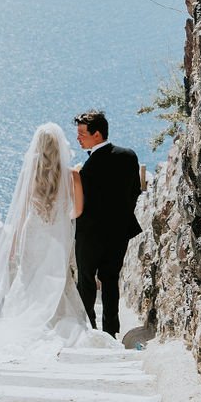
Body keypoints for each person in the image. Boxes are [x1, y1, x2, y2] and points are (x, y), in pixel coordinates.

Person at [0, 122, 119, 360]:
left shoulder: (29, 174)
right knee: (57, 281)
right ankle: (55, 323)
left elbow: (21, 212)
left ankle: (25, 322)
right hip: (56, 238)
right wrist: (58, 218)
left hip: (32, 234)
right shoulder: (72, 175)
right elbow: (76, 211)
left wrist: (14, 244)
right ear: (60, 147)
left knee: (29, 281)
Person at [73, 109, 142, 338]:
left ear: (97, 134)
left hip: (89, 234)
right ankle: (111, 332)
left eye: (82, 133)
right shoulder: (129, 156)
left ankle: (88, 328)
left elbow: (79, 203)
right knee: (111, 281)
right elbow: (134, 192)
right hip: (118, 232)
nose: (78, 138)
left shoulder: (85, 169)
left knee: (86, 280)